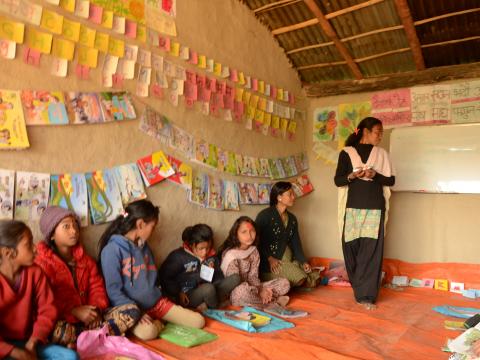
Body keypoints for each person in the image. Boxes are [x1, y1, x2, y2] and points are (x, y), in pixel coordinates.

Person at [98, 200, 204, 339]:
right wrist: (137, 313)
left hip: (156, 304)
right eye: (152, 226)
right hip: (133, 310)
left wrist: (162, 300)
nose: (154, 231)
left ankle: (159, 321)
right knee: (148, 333)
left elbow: (154, 279)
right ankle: (158, 324)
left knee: (199, 321)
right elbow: (114, 291)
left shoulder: (145, 247)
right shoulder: (112, 250)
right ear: (140, 224)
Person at [35, 206, 139, 347]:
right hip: (65, 319)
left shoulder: (86, 260)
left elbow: (97, 287)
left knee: (132, 310)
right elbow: (44, 301)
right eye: (66, 226)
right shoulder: (41, 264)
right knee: (54, 331)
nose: (73, 231)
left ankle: (83, 339)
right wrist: (73, 312)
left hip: (91, 319)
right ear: (51, 234)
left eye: (75, 225)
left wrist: (95, 310)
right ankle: (94, 337)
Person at [334, 117, 395, 310]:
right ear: (365, 132)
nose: (380, 136)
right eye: (378, 132)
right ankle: (359, 287)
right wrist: (352, 175)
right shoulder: (346, 153)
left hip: (375, 209)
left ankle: (367, 296)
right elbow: (338, 180)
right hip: (351, 209)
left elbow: (391, 181)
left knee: (371, 252)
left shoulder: (382, 154)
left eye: (381, 133)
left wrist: (374, 175)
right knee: (351, 250)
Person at [0, 220, 78, 360]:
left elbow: (48, 310)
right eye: (29, 244)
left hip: (29, 340)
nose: (35, 248)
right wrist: (14, 352)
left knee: (70, 356)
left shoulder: (35, 273)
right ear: (9, 253)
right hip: (3, 347)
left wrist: (34, 341)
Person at [159, 224, 240, 310]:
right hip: (188, 294)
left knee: (236, 278)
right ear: (191, 245)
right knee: (208, 289)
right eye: (201, 248)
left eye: (208, 248)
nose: (205, 252)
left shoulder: (211, 257)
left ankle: (208, 303)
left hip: (211, 290)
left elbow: (218, 276)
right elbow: (165, 276)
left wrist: (212, 272)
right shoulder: (178, 256)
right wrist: (178, 292)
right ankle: (214, 309)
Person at [255, 182, 319, 288]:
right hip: (273, 264)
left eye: (293, 194)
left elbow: (296, 243)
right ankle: (306, 279)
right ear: (279, 197)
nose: (293, 197)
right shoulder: (264, 216)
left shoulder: (292, 219)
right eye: (290, 194)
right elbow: (256, 241)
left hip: (289, 260)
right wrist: (269, 258)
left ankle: (299, 278)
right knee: (300, 277)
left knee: (304, 269)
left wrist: (303, 261)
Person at [219, 216, 290, 307]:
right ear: (236, 234)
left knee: (285, 283)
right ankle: (273, 302)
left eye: (252, 231)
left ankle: (263, 299)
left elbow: (253, 277)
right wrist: (259, 291)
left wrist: (260, 289)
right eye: (244, 232)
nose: (249, 235)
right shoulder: (230, 255)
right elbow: (234, 283)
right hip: (236, 291)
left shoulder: (253, 251)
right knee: (242, 292)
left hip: (254, 287)